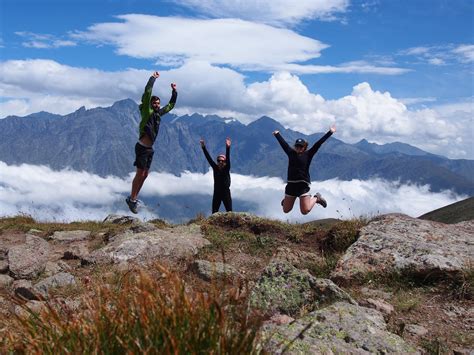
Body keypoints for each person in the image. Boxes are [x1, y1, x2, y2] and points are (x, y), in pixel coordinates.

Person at [126, 71, 177, 214]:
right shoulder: (147, 112)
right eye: (154, 102)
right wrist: (152, 79)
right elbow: (147, 92)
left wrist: (174, 91)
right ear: (150, 104)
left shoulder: (158, 114)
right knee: (139, 173)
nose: (156, 104)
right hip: (142, 148)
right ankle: (132, 199)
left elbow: (171, 106)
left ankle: (134, 198)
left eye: (158, 103)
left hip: (150, 149)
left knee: (145, 174)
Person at [273, 125, 336, 215]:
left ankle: (316, 198)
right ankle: (288, 200)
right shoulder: (291, 153)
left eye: (301, 147)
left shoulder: (309, 154)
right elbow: (284, 145)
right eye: (297, 146)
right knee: (286, 210)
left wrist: (330, 132)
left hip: (302, 186)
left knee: (305, 211)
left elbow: (318, 144)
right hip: (291, 185)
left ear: (304, 147)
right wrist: (277, 135)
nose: (298, 148)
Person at [200, 137, 232, 213]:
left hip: (226, 193)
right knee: (214, 212)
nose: (220, 162)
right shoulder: (215, 168)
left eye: (222, 161)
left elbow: (228, 159)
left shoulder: (226, 169)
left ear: (225, 162)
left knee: (230, 212)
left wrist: (228, 148)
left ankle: (231, 225)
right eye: (218, 160)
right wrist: (203, 147)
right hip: (217, 193)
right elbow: (209, 159)